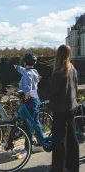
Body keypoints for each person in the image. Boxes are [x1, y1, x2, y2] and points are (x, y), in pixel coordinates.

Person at [49, 44, 79, 172]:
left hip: (60, 109)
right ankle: (73, 167)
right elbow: (76, 88)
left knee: (59, 140)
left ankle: (58, 168)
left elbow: (52, 91)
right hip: (71, 107)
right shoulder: (72, 69)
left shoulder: (59, 71)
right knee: (72, 139)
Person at [13, 53, 44, 157]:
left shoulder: (28, 74)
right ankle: (40, 142)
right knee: (35, 121)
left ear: (25, 62)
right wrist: (17, 67)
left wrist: (23, 94)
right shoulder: (34, 71)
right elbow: (25, 71)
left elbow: (28, 88)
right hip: (35, 97)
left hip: (30, 99)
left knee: (29, 124)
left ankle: (29, 147)